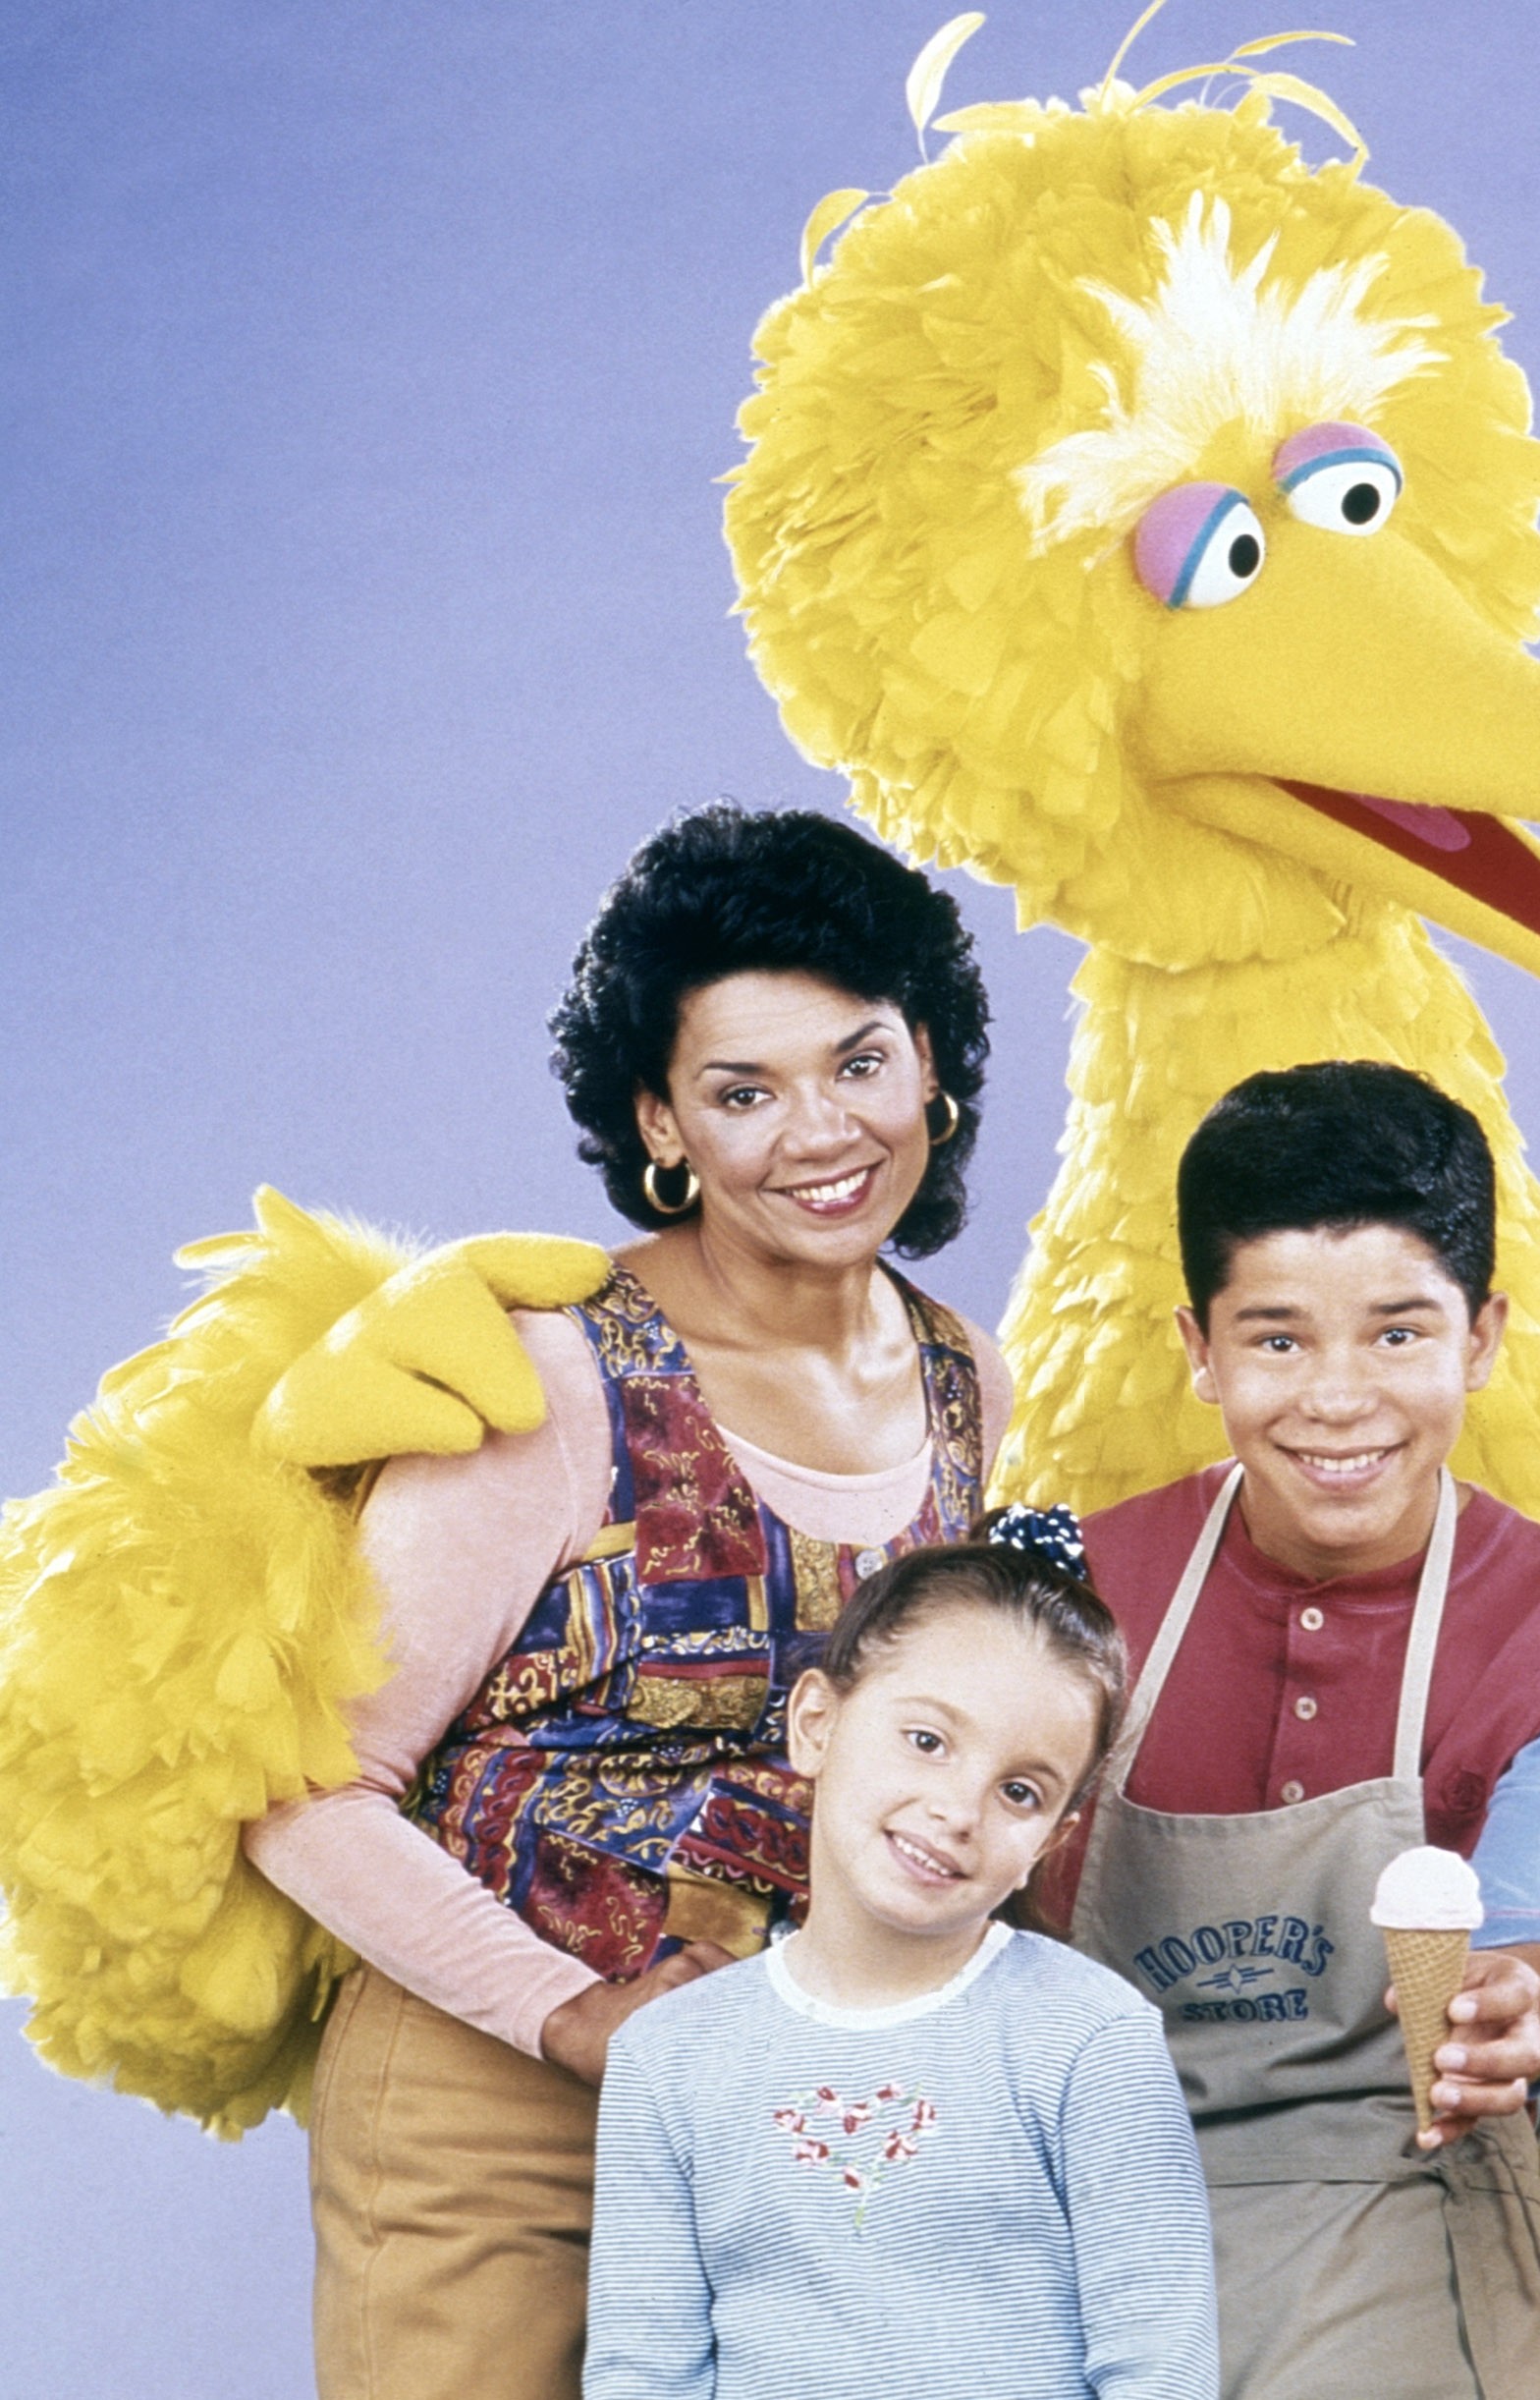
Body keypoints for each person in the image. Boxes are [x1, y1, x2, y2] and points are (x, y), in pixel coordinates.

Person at [243, 804, 1014, 2400]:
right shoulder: (553, 1370)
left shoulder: (961, 1376)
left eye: (859, 1061)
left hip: (798, 2123)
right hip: (497, 2109)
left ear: (931, 1060)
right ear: (661, 1119)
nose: (821, 1131)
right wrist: (574, 2014)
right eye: (744, 1089)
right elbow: (305, 1785)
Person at [1030, 1061, 1540, 2399]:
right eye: (1276, 1340)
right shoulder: (1055, 1595)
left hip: (1406, 2202)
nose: (1336, 1398)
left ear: (1481, 1337)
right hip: (1063, 2206)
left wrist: (1509, 2014)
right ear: (1198, 1349)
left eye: (1397, 1334)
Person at [584, 1517, 1217, 2400]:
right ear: (816, 1722)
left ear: (1050, 1840)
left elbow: (1160, 2366)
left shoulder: (1091, 2038)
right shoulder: (666, 2055)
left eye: (1019, 1790)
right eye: (927, 1739)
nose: (959, 1809)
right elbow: (642, 2370)